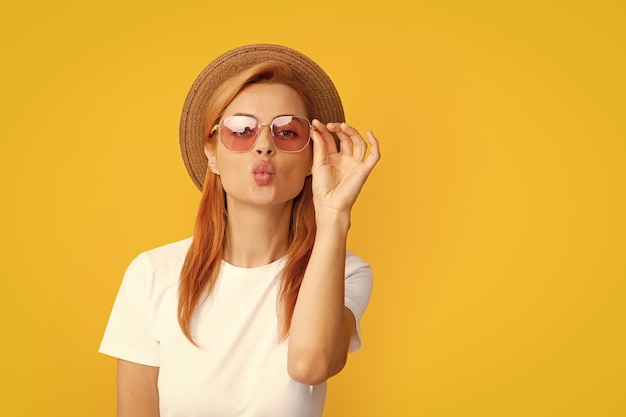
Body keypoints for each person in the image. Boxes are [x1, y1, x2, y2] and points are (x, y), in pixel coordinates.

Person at [99, 43, 380, 417]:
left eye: (288, 132)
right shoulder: (152, 275)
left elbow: (310, 366)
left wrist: (334, 212)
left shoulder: (344, 272)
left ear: (313, 157)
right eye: (241, 129)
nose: (264, 146)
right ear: (212, 153)